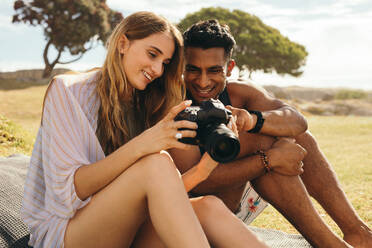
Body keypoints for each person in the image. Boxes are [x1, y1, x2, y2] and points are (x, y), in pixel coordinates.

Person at [21, 12, 268, 248]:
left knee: (208, 206)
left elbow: (159, 195)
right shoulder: (68, 90)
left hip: (125, 230)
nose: (158, 70)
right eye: (152, 54)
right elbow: (69, 192)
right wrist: (145, 143)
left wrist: (205, 168)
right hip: (69, 233)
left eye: (166, 63)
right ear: (122, 43)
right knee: (156, 163)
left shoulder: (145, 103)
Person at [169, 19, 372, 248]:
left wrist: (251, 119)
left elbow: (297, 122)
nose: (203, 81)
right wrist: (268, 159)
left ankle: (359, 233)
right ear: (182, 66)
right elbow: (198, 182)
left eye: (214, 70)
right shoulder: (173, 104)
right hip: (196, 215)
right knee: (264, 143)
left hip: (237, 204)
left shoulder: (239, 93)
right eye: (193, 70)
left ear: (229, 68)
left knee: (294, 137)